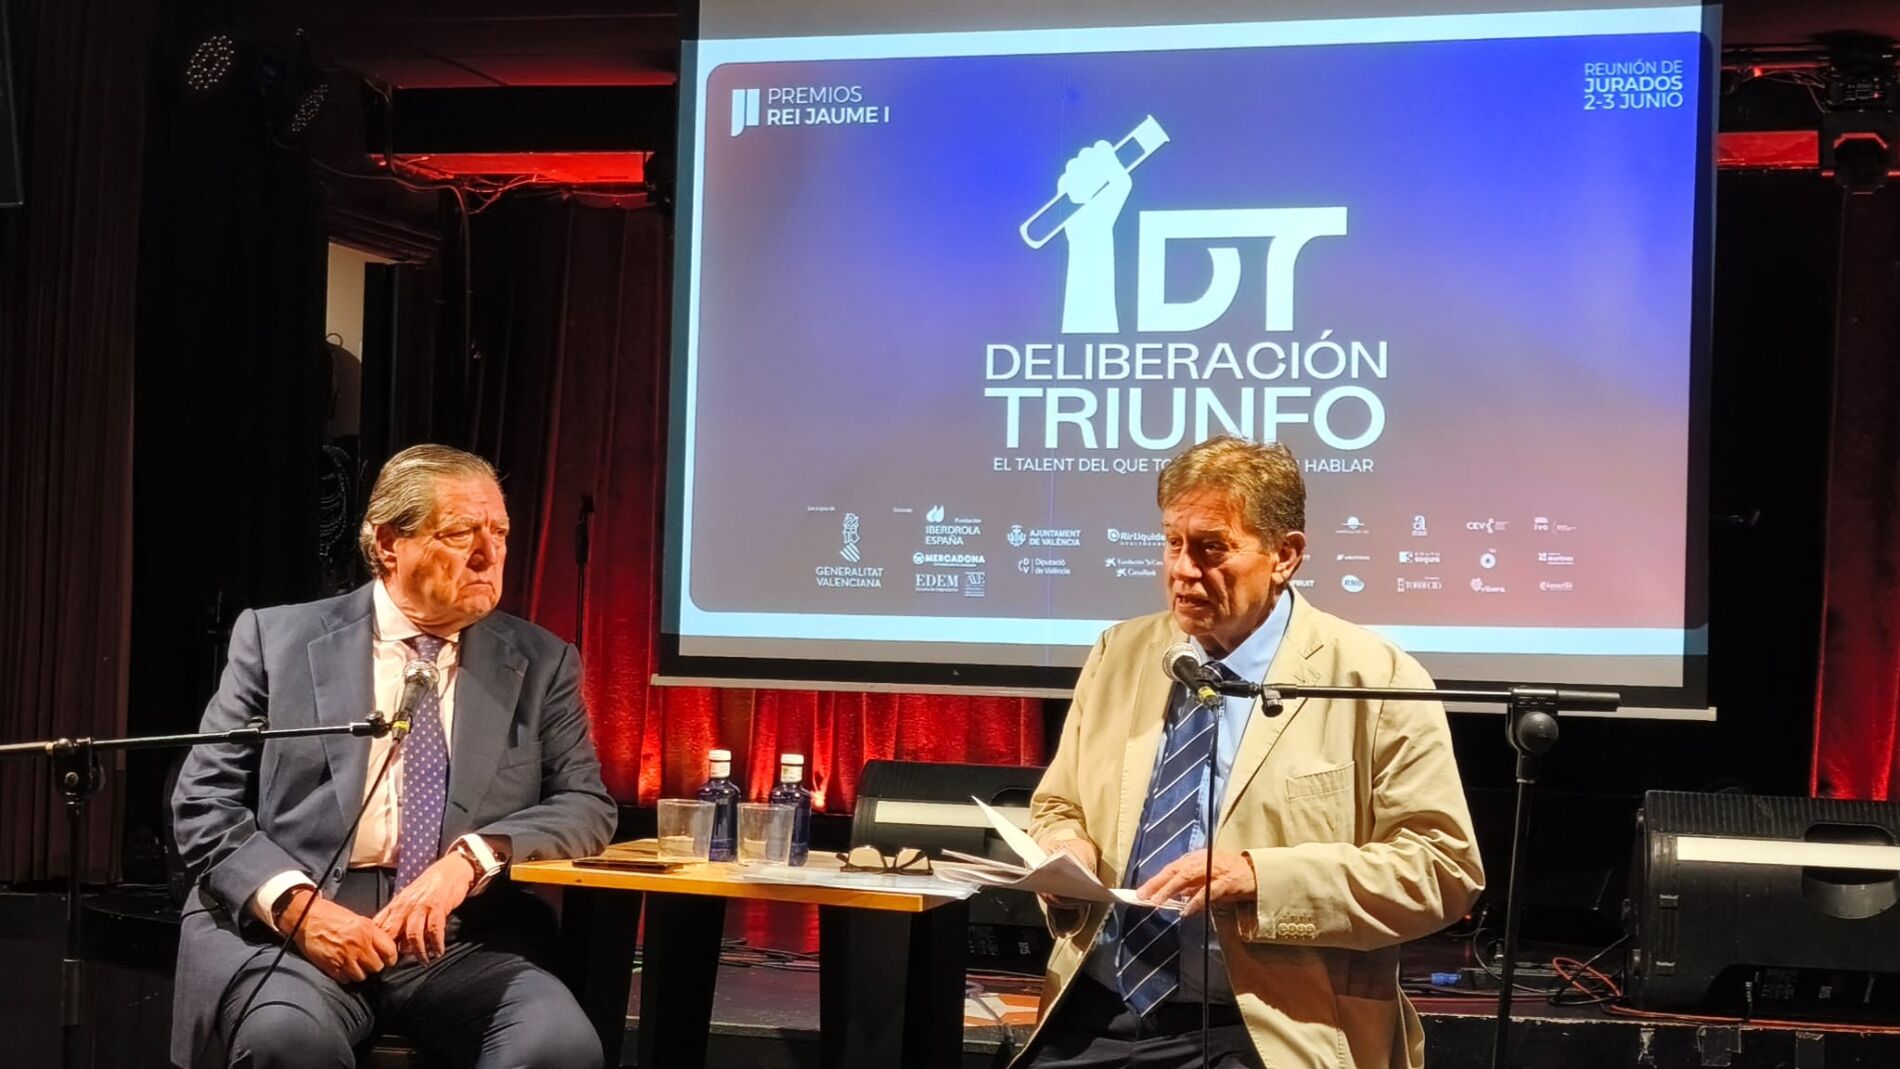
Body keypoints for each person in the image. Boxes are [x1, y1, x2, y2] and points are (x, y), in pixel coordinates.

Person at [1018, 436, 1484, 1069]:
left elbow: (1440, 870)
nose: (1183, 570)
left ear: (1284, 556)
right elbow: (1058, 806)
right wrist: (1064, 852)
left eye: (1211, 548)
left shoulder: (1374, 678)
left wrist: (1259, 878)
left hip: (1270, 1026)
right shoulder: (1119, 653)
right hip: (1097, 1010)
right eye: (1173, 543)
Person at [170, 444, 617, 1069]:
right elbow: (204, 802)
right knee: (287, 1045)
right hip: (295, 937)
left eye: (499, 533)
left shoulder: (542, 662)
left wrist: (472, 858)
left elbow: (585, 804)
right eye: (460, 533)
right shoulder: (278, 641)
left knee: (559, 1048)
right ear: (387, 544)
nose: (488, 555)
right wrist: (300, 912)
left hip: (462, 940)